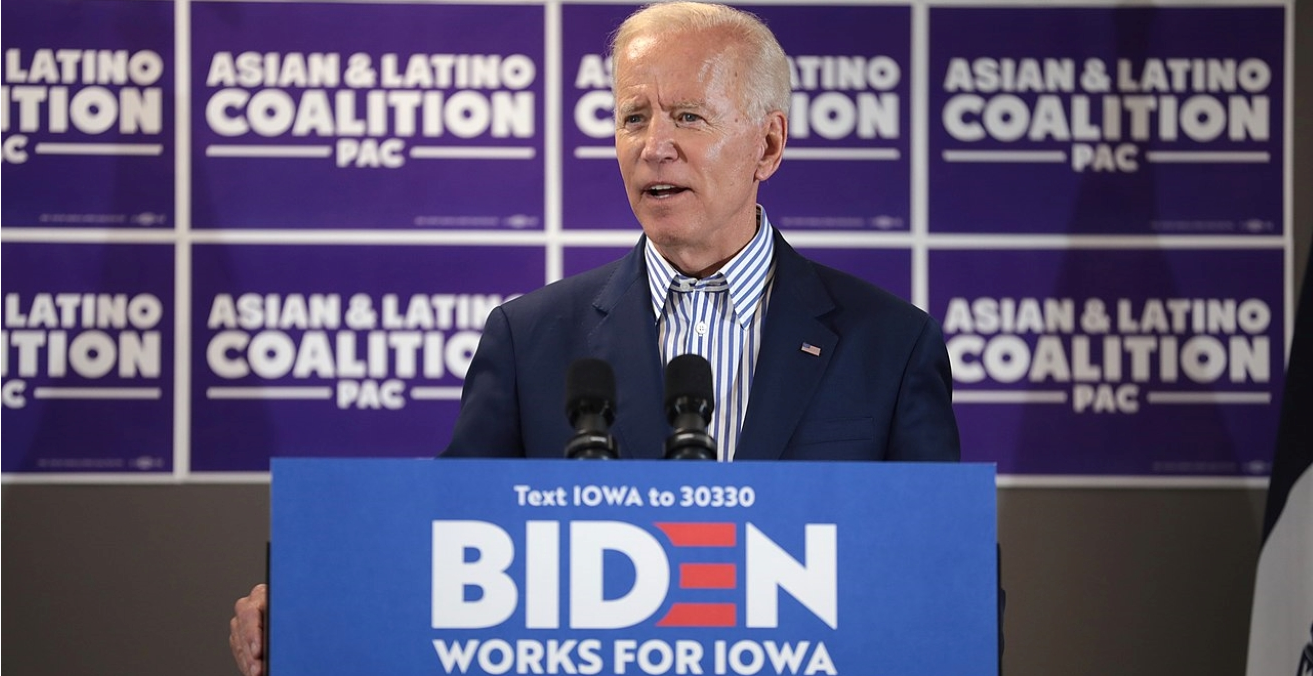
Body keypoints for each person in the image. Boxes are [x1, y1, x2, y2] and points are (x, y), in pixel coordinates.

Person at [229, 3, 961, 674]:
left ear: (767, 145)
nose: (654, 147)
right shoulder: (529, 339)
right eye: (633, 116)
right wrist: (312, 611)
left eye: (688, 117)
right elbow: (448, 553)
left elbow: (940, 582)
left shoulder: (888, 346)